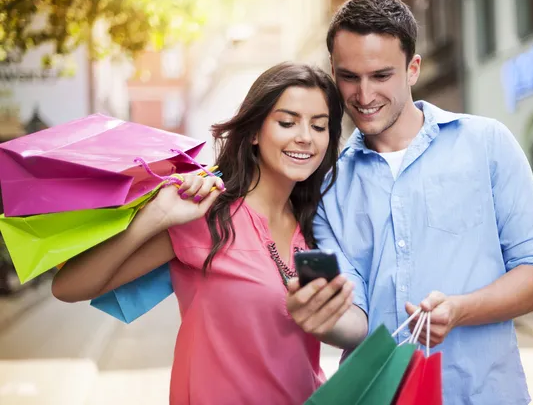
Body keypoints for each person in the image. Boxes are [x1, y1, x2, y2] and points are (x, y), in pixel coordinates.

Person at [286, 0, 533, 405]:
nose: (363, 95)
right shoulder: (327, 186)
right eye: (349, 77)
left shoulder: (487, 144)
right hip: (378, 396)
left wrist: (461, 309)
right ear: (333, 71)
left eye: (381, 76)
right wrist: (322, 317)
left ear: (413, 68)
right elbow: (356, 320)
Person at [51, 62, 348, 404]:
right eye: (287, 122)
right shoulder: (206, 213)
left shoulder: (318, 226)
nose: (305, 137)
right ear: (253, 132)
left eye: (320, 126)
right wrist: (157, 215)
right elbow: (68, 287)